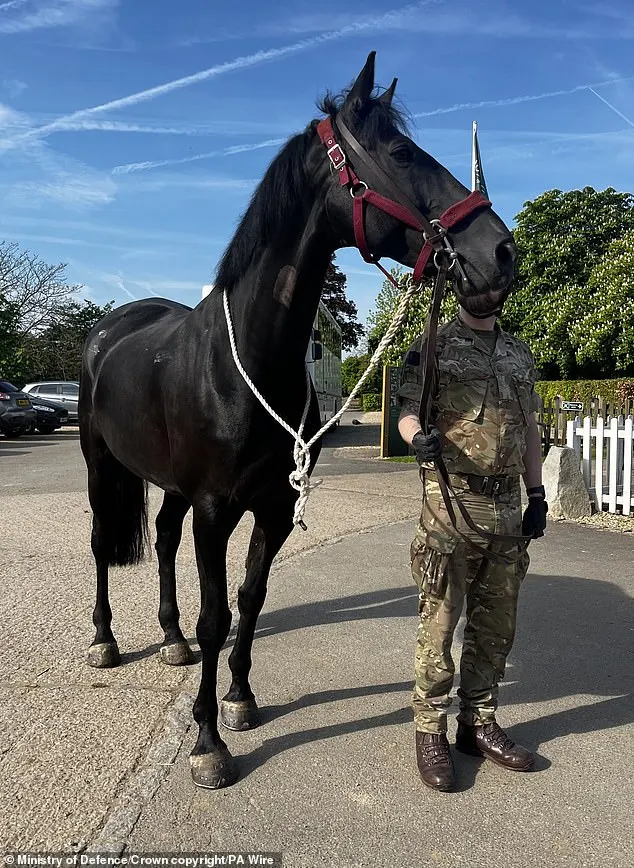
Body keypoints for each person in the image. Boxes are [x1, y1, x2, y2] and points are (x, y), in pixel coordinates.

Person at [397, 290, 547, 792]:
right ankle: (429, 730)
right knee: (439, 625)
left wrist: (537, 492)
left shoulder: (519, 354)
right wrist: (417, 437)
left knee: (496, 625)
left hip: (506, 508)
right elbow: (407, 410)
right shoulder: (433, 345)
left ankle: (477, 723)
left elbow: (529, 426)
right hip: (451, 503)